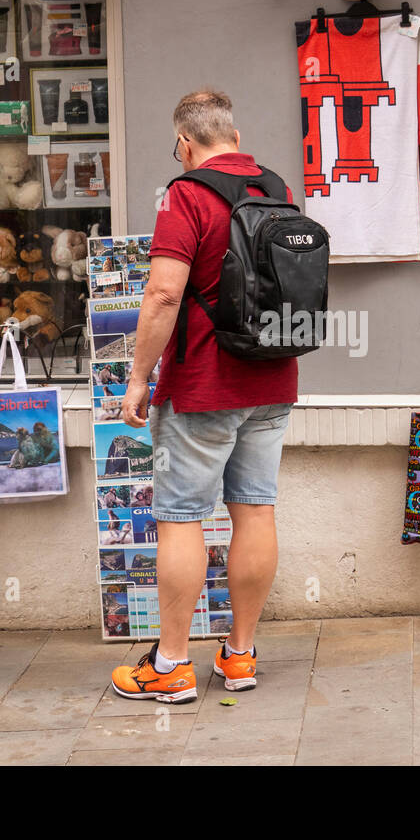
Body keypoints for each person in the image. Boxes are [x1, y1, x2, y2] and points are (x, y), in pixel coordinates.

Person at [111, 90, 297, 703]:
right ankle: (239, 657)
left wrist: (139, 377)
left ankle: (169, 668)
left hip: (204, 385)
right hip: (272, 375)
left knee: (181, 520)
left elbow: (165, 295)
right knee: (256, 509)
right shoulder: (276, 190)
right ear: (235, 138)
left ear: (185, 145)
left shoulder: (186, 194)